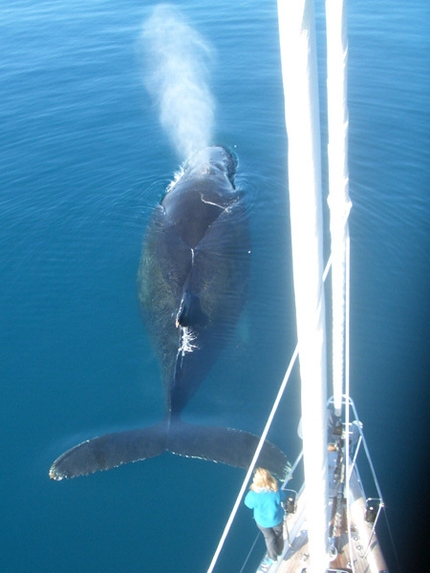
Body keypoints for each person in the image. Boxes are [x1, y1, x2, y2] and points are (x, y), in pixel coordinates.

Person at [244, 467, 287, 568]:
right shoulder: (275, 490)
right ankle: (279, 552)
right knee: (279, 536)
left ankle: (273, 558)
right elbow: (283, 497)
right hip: (277, 519)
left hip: (263, 522)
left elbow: (248, 504)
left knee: (269, 539)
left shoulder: (253, 495)